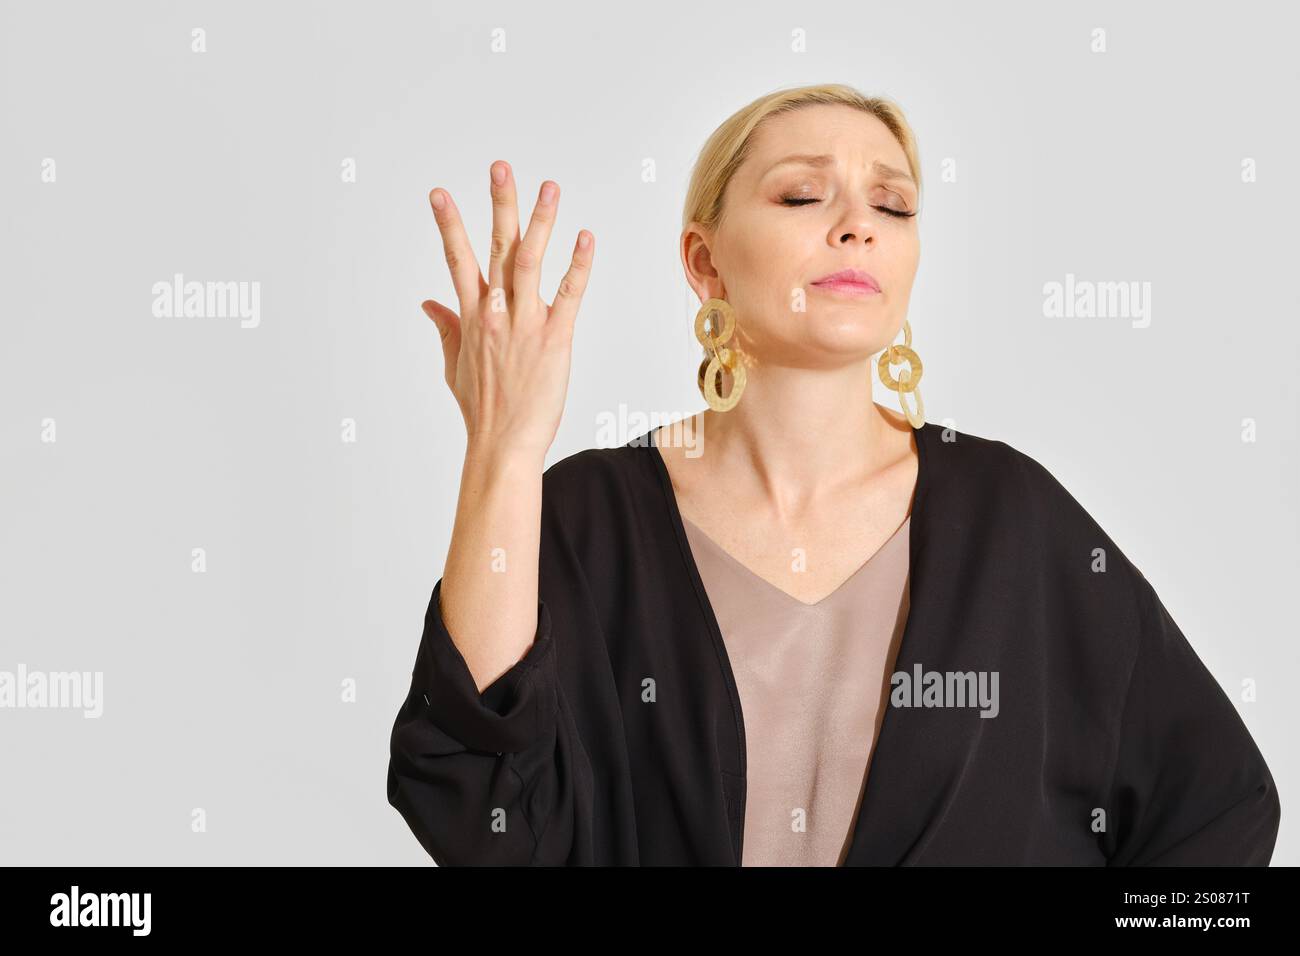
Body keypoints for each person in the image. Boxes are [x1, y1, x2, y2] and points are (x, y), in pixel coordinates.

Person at [386, 83, 1281, 866]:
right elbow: (481, 811)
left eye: (893, 207)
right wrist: (503, 450)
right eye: (805, 193)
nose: (858, 224)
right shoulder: (586, 520)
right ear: (705, 261)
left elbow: (1217, 810)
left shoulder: (1014, 518)